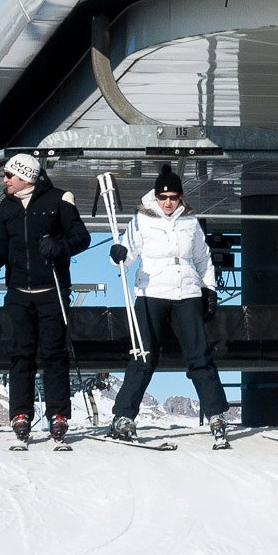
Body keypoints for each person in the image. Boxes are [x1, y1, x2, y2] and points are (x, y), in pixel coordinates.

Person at [106, 165, 230, 444]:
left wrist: (208, 289)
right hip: (152, 291)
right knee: (143, 354)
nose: (168, 202)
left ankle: (216, 414)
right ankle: (123, 416)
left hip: (186, 292)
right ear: (156, 196)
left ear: (181, 197)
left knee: (199, 354)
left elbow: (203, 258)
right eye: (164, 197)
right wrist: (118, 255)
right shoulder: (142, 220)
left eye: (173, 197)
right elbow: (125, 256)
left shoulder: (190, 221)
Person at [0, 154, 90, 445]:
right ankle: (21, 414)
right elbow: (2, 245)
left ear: (25, 177)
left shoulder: (59, 200)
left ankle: (58, 414)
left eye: (8, 175)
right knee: (21, 353)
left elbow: (82, 237)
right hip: (18, 292)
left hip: (51, 291)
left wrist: (60, 245)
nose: (4, 180)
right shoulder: (6, 206)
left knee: (53, 352)